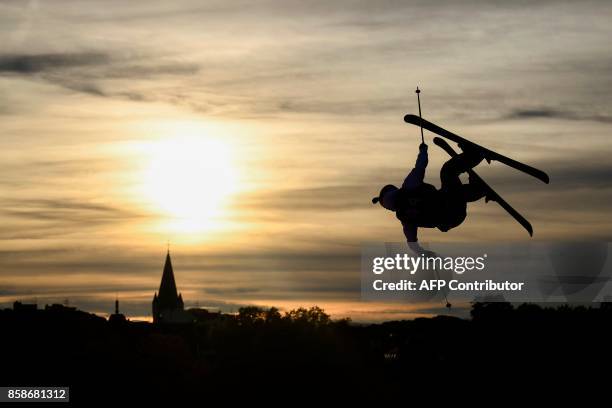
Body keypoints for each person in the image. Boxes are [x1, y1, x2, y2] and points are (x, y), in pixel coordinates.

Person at [372, 142, 487, 254]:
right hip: (449, 204)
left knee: (453, 193)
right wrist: (423, 151)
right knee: (448, 171)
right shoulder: (408, 187)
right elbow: (420, 167)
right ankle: (475, 156)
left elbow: (412, 243)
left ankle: (479, 189)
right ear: (393, 190)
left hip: (454, 219)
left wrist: (423, 253)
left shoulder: (406, 220)